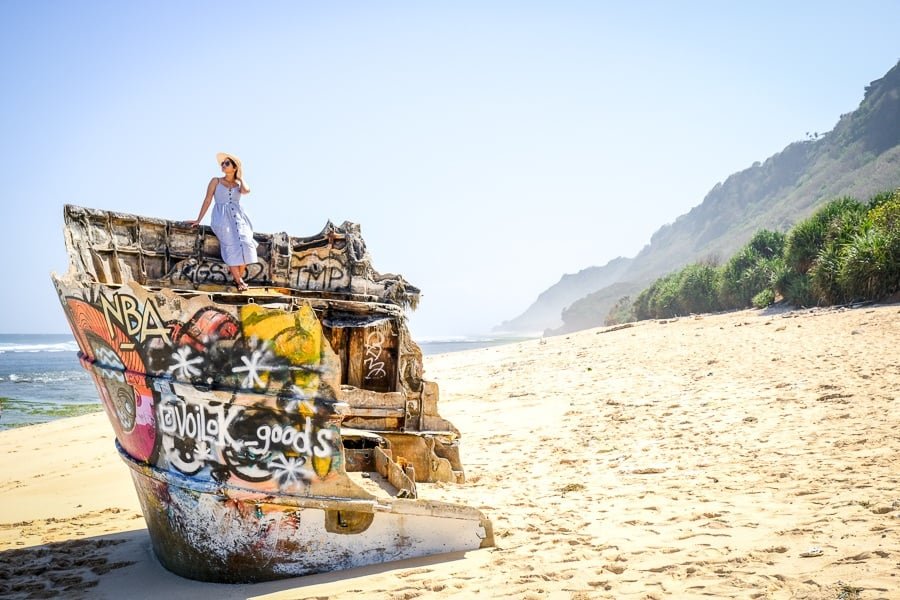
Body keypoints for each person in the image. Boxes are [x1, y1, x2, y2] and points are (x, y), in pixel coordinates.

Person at [187, 152, 258, 291]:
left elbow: (247, 190)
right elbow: (207, 200)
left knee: (246, 243)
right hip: (222, 217)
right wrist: (198, 219)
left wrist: (241, 177)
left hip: (239, 218)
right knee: (230, 246)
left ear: (234, 167)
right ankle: (239, 282)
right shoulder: (216, 181)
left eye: (227, 163)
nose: (223, 165)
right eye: (222, 163)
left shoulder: (238, 184)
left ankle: (237, 279)